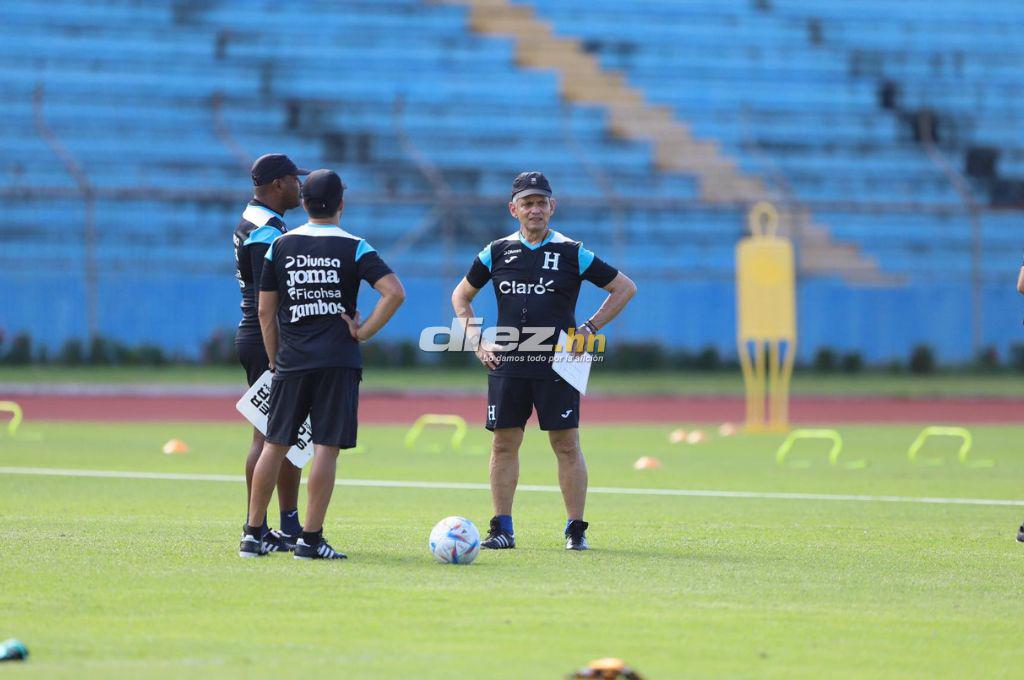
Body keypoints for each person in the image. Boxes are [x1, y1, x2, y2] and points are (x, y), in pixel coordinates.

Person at [450, 172, 637, 550]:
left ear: (552, 207)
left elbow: (624, 287)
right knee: (504, 444)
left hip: (560, 361)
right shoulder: (496, 251)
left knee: (566, 444)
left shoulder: (572, 251)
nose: (534, 209)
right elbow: (461, 296)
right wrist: (477, 341)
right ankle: (502, 529)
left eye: (541, 202)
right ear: (513, 209)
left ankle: (575, 530)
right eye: (527, 203)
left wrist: (589, 327)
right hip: (509, 363)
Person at [241, 169, 405, 559]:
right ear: (341, 205)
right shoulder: (355, 246)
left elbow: (266, 311)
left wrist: (275, 359)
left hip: (290, 361)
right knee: (325, 449)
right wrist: (363, 332)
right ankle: (310, 540)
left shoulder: (280, 245)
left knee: (274, 445)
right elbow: (394, 292)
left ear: (303, 202)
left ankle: (252, 534)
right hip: (337, 360)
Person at [233, 153, 309, 552]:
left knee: (273, 434)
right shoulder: (266, 228)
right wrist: (281, 350)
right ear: (279, 184)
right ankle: (262, 527)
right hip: (268, 336)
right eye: (296, 180)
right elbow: (271, 299)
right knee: (274, 436)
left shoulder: (260, 220)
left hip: (257, 333)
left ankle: (269, 526)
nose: (301, 187)